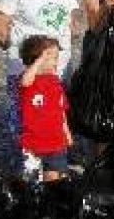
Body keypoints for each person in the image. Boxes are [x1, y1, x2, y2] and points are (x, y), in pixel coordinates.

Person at [0, 0, 81, 171]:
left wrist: (72, 31)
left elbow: (73, 17)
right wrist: (11, 49)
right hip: (25, 70)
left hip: (58, 68)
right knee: (25, 122)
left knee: (54, 118)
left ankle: (54, 167)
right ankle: (25, 171)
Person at [18, 35, 73, 182]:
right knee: (31, 180)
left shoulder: (55, 81)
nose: (56, 62)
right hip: (34, 142)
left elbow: (61, 109)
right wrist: (39, 61)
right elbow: (25, 81)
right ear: (37, 59)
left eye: (56, 58)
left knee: (54, 178)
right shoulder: (30, 80)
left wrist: (66, 131)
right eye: (52, 58)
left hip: (56, 141)